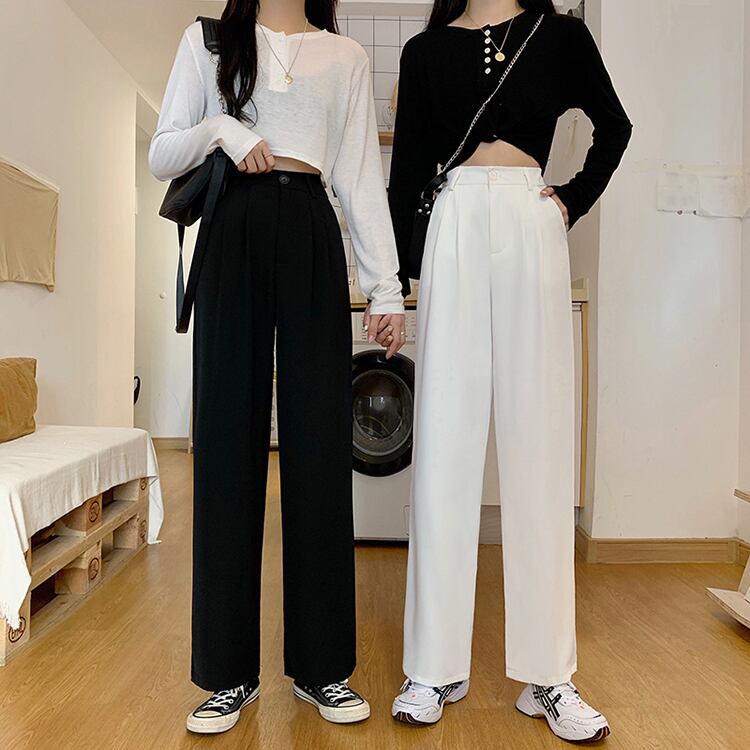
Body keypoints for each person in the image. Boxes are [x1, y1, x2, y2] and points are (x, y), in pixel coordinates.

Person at [149, 0, 406, 735]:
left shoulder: (345, 56)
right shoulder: (209, 41)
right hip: (231, 223)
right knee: (226, 444)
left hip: (311, 230)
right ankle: (227, 674)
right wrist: (223, 130)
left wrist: (386, 286)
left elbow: (359, 176)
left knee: (319, 444)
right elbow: (163, 152)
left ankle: (322, 668)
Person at [385, 0, 632, 742]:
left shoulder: (562, 36)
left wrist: (570, 201)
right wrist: (396, 282)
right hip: (453, 219)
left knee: (540, 443)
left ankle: (549, 674)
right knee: (444, 445)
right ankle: (432, 666)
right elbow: (406, 171)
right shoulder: (425, 51)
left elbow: (615, 126)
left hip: (532, 218)